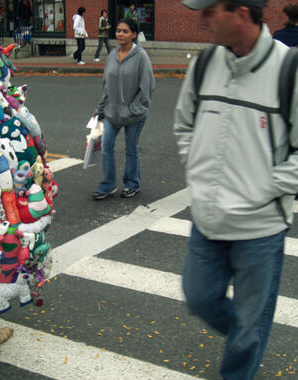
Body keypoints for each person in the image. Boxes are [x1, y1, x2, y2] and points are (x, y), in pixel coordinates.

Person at [174, 0, 298, 379]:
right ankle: (248, 335)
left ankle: (243, 353)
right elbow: (184, 126)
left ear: (242, 13)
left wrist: (259, 191)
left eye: (210, 11)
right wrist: (199, 175)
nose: (201, 21)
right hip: (207, 221)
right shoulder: (205, 65)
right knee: (199, 298)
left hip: (259, 229)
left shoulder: (288, 70)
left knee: (249, 323)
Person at [93, 17, 155, 200]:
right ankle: (108, 184)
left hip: (134, 114)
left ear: (134, 34)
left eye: (125, 31)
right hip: (112, 113)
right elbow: (107, 86)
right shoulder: (112, 55)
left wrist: (134, 109)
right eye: (119, 30)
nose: (120, 34)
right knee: (106, 146)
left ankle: (132, 183)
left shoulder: (141, 57)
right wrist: (100, 109)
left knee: (131, 149)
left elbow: (148, 87)